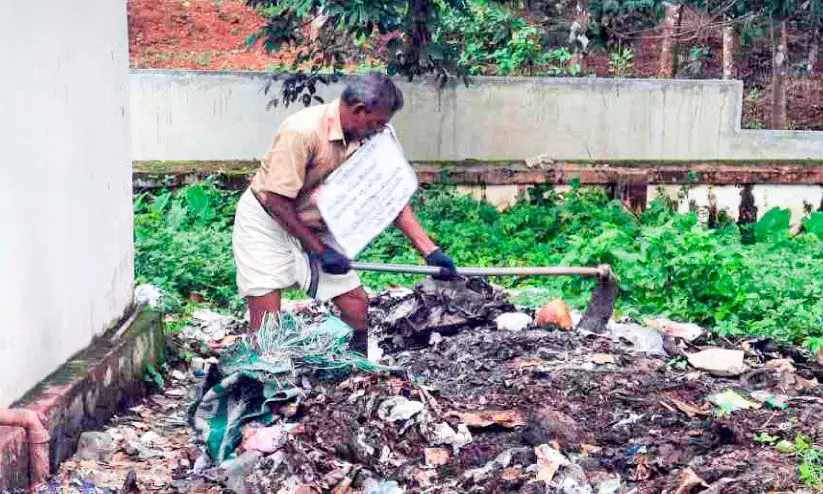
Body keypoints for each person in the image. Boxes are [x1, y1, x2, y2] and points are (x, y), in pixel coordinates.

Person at [232, 72, 457, 354]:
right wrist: (318, 251)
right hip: (267, 223)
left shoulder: (378, 136)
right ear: (359, 110)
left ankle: (354, 368)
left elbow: (392, 198)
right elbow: (277, 200)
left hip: (319, 223)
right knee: (267, 325)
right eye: (377, 122)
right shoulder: (302, 131)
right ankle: (264, 383)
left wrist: (430, 252)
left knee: (356, 305)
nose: (381, 129)